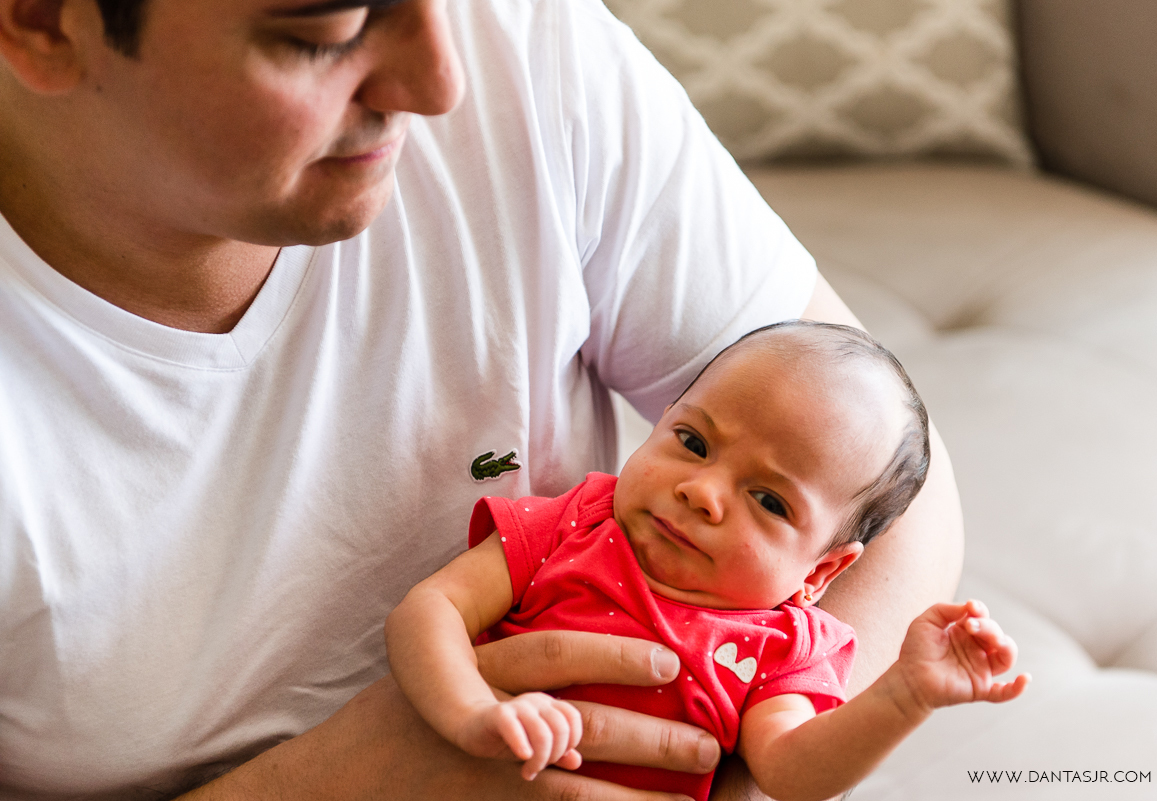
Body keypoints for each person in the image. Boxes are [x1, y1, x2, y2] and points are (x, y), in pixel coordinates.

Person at [0, 0, 965, 799]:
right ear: (42, 23)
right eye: (324, 32)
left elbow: (887, 491)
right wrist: (349, 777)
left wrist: (724, 765)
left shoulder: (523, 43)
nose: (441, 86)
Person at [388, 321, 1027, 801]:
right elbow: (433, 607)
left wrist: (906, 694)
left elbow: (790, 772)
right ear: (662, 420)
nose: (703, 491)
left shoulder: (782, 647)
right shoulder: (576, 523)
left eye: (770, 501)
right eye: (692, 441)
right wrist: (474, 713)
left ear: (821, 573)